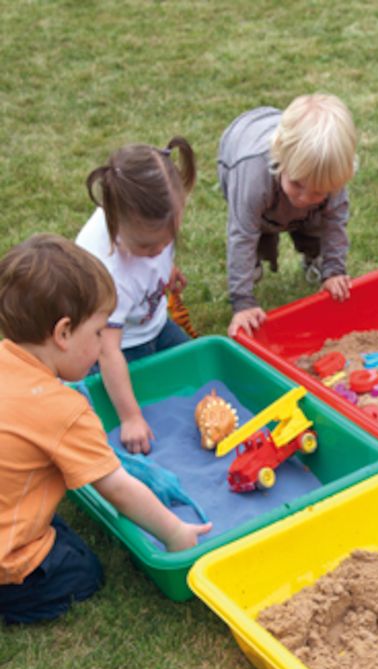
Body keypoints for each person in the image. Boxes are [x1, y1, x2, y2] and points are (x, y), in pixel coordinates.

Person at [0, 235, 212, 625]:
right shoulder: (62, 410)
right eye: (98, 333)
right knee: (83, 570)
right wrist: (175, 534)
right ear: (63, 333)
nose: (103, 345)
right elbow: (117, 488)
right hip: (7, 563)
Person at [77, 137, 197, 455]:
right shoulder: (108, 271)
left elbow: (157, 249)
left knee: (197, 368)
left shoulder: (154, 224)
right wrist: (130, 418)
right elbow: (107, 353)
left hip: (152, 323)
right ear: (117, 222)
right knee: (121, 410)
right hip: (114, 347)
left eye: (167, 241)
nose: (157, 251)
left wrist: (165, 270)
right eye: (146, 248)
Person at [217, 93, 357, 338]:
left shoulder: (329, 176)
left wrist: (334, 270)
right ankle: (253, 267)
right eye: (297, 184)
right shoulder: (251, 176)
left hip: (280, 155)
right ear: (280, 160)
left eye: (319, 191)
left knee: (312, 219)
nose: (304, 197)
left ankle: (315, 259)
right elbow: (241, 235)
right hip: (240, 145)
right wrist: (243, 302)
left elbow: (334, 222)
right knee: (257, 230)